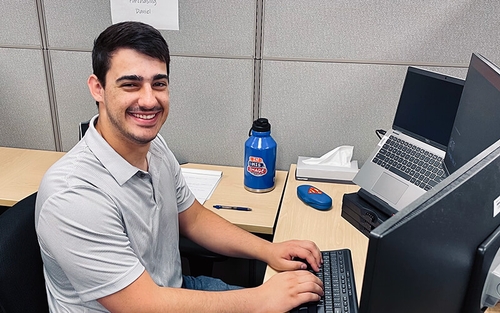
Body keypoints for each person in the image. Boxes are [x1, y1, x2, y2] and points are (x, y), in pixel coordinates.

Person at [35, 21, 324, 313]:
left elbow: (193, 218)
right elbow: (143, 304)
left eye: (158, 83)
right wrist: (260, 300)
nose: (149, 100)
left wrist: (269, 250)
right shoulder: (73, 196)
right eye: (131, 84)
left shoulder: (153, 146)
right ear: (98, 88)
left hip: (173, 291)